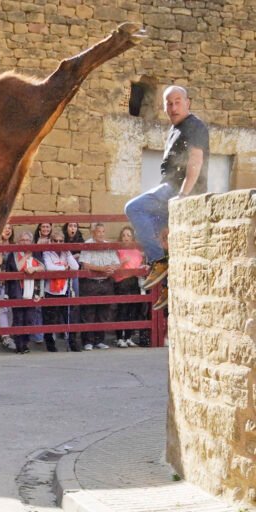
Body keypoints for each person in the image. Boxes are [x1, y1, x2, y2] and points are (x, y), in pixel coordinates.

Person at [125, 85, 209, 310]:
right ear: (163, 107)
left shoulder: (195, 125)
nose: (173, 107)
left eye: (177, 101)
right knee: (164, 239)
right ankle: (169, 285)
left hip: (176, 190)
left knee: (134, 208)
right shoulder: (174, 129)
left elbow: (195, 161)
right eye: (168, 103)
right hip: (170, 191)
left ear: (187, 102)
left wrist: (183, 195)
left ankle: (158, 262)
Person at [78, 223, 120, 351]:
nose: (101, 234)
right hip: (91, 283)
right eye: (98, 232)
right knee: (89, 313)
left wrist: (111, 269)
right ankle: (88, 341)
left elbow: (117, 263)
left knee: (103, 312)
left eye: (103, 231)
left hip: (105, 282)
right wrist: (103, 269)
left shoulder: (108, 245)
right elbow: (85, 264)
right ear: (93, 233)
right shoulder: (88, 244)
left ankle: (99, 340)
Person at [42, 228, 80, 352]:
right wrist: (64, 268)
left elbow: (75, 267)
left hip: (64, 289)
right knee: (50, 320)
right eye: (55, 241)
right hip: (50, 291)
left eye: (61, 241)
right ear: (51, 241)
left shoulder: (65, 253)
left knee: (69, 318)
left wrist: (68, 254)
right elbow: (49, 267)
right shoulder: (47, 252)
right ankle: (50, 345)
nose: (58, 243)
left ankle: (72, 343)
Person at [113, 226, 144, 348]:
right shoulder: (118, 250)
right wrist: (122, 263)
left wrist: (143, 268)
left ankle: (129, 337)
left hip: (134, 281)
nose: (126, 238)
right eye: (124, 235)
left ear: (132, 238)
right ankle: (120, 337)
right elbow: (113, 267)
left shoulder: (137, 251)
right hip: (122, 281)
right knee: (122, 310)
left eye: (129, 235)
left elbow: (139, 266)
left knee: (133, 310)